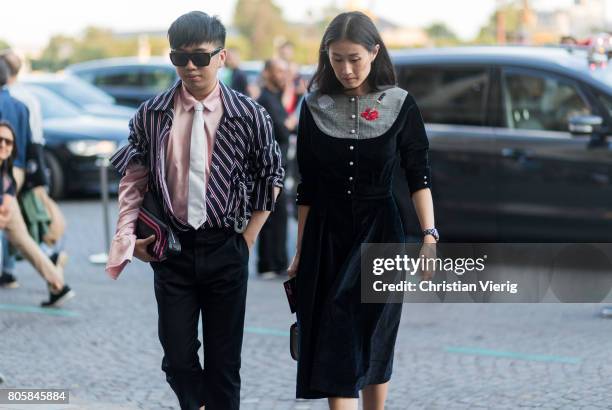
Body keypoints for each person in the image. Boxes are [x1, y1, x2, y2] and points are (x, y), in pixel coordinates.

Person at [106, 11, 284, 410]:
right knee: (178, 359)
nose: (190, 67)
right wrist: (127, 237)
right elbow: (133, 181)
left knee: (224, 365)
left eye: (200, 57)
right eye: (179, 58)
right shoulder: (151, 114)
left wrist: (247, 240)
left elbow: (271, 175)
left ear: (221, 57)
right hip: (171, 249)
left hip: (226, 246)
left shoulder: (249, 115)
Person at [288, 11, 438, 410]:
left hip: (383, 230)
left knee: (376, 333)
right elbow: (308, 187)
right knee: (337, 332)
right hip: (327, 235)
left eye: (354, 58)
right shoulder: (313, 105)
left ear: (374, 51)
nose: (346, 69)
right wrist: (301, 251)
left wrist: (429, 235)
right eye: (337, 59)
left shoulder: (401, 105)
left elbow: (418, 176)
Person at [0, 50, 68, 293]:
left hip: (5, 172)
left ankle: (43, 263)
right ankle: (54, 277)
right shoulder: (23, 102)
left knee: (14, 227)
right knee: (16, 229)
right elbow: (32, 142)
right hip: (17, 169)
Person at [0, 120, 72, 306]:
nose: (3, 145)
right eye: (0, 140)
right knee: (23, 240)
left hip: (15, 179)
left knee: (23, 239)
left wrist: (6, 208)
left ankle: (57, 281)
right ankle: (56, 278)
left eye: (8, 142)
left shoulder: (7, 174)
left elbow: (8, 193)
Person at [256, 59, 297, 279]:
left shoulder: (275, 98)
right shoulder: (265, 99)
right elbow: (282, 129)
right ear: (268, 73)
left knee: (279, 216)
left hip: (280, 165)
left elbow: (289, 125)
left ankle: (278, 262)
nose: (283, 75)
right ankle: (269, 264)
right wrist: (288, 125)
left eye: (284, 71)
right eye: (279, 71)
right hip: (270, 167)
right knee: (272, 216)